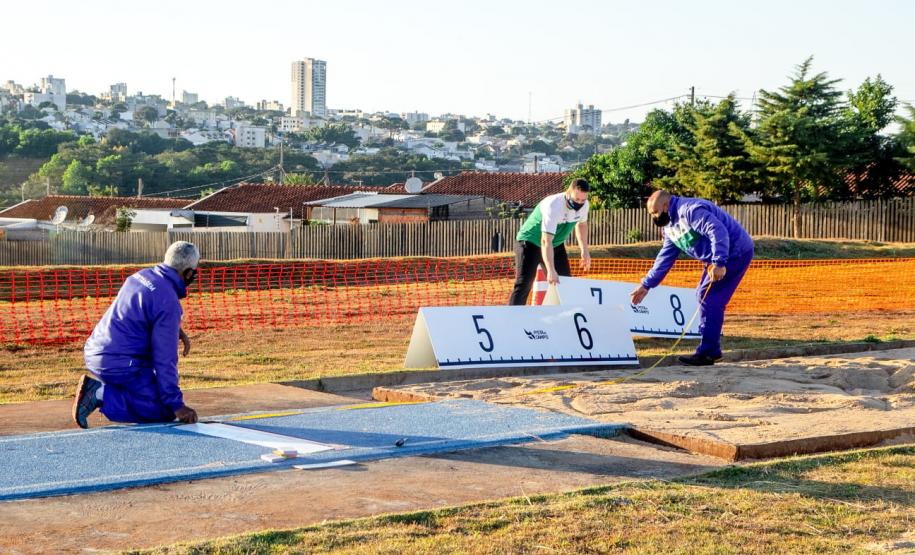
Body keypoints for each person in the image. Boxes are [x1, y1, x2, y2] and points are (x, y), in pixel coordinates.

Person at [72, 241, 201, 428]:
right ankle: (99, 393)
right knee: (163, 410)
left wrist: (175, 329)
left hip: (96, 351)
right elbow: (165, 359)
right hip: (120, 362)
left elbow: (137, 313)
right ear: (188, 273)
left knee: (152, 392)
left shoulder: (141, 276)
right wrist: (176, 404)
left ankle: (108, 389)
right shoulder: (168, 301)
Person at [630, 190, 754, 366]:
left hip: (735, 252)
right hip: (715, 258)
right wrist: (646, 284)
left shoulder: (690, 211)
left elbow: (718, 231)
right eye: (651, 214)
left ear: (666, 205)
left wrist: (719, 262)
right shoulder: (670, 228)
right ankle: (710, 349)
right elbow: (665, 258)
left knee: (710, 298)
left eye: (656, 212)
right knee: (704, 295)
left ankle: (709, 351)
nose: (654, 217)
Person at [508, 178, 592, 305]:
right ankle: (512, 319)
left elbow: (581, 225)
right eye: (576, 200)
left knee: (565, 284)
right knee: (524, 283)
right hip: (530, 242)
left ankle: (562, 319)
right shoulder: (554, 205)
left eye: (582, 200)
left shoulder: (584, 205)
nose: (579, 203)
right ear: (568, 193)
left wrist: (585, 251)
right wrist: (551, 270)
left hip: (556, 244)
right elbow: (545, 241)